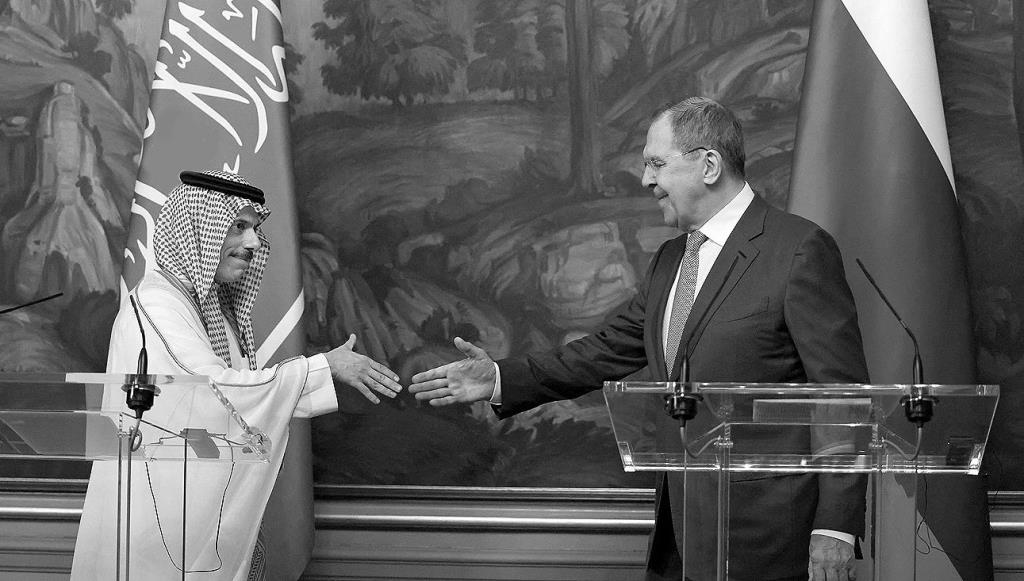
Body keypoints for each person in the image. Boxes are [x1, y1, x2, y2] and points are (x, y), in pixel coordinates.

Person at [410, 97, 869, 581]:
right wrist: (501, 378)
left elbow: (841, 396)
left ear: (709, 165)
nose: (646, 179)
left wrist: (836, 526)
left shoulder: (797, 250)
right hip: (679, 533)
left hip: (771, 536)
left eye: (656, 164)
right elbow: (604, 351)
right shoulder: (672, 258)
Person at [71, 170, 403, 580]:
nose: (253, 243)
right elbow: (215, 391)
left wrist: (317, 374)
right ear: (198, 229)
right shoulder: (158, 307)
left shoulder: (206, 308)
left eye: (255, 229)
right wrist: (322, 368)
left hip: (192, 521)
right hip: (157, 532)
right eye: (238, 227)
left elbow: (239, 400)